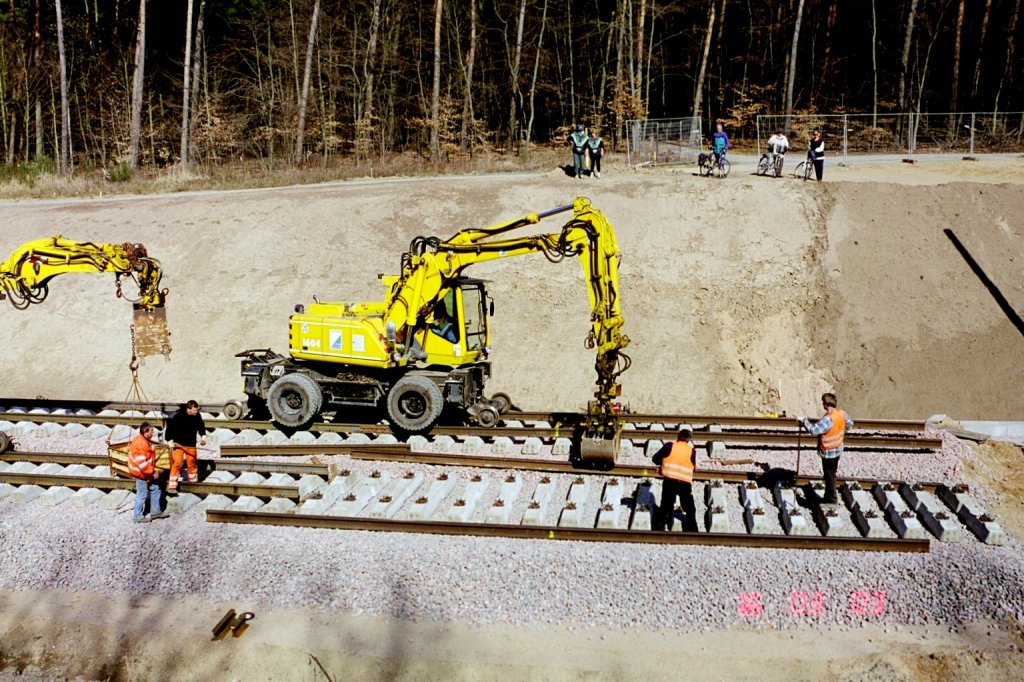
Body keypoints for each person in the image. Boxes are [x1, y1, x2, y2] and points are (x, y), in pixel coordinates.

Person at [799, 393, 853, 505]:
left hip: (829, 452)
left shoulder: (829, 419)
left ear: (825, 405)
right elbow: (849, 423)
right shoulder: (841, 413)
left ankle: (831, 499)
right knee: (831, 473)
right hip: (838, 449)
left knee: (829, 475)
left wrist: (804, 421)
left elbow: (814, 430)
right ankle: (828, 495)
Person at [651, 427, 699, 532]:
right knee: (690, 508)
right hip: (685, 483)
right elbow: (693, 467)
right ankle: (693, 530)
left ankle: (659, 529)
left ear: (678, 437)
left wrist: (662, 465)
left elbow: (655, 459)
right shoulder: (692, 451)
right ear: (689, 440)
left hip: (670, 480)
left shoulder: (669, 446)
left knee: (665, 505)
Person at [128, 421, 168, 523]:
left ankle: (155, 511)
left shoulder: (143, 440)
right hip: (141, 473)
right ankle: (137, 516)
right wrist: (152, 472)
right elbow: (142, 463)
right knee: (141, 495)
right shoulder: (140, 443)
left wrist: (153, 448)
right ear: (146, 432)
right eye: (151, 431)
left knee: (155, 488)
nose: (153, 432)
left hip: (145, 472)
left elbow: (147, 450)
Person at [165, 399, 207, 493]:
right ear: (189, 409)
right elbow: (170, 428)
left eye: (197, 410)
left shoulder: (197, 416)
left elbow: (201, 426)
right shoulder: (179, 416)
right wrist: (169, 441)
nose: (196, 412)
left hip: (191, 444)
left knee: (191, 463)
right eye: (194, 410)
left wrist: (203, 436)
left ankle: (193, 483)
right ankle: (172, 486)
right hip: (178, 444)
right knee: (177, 463)